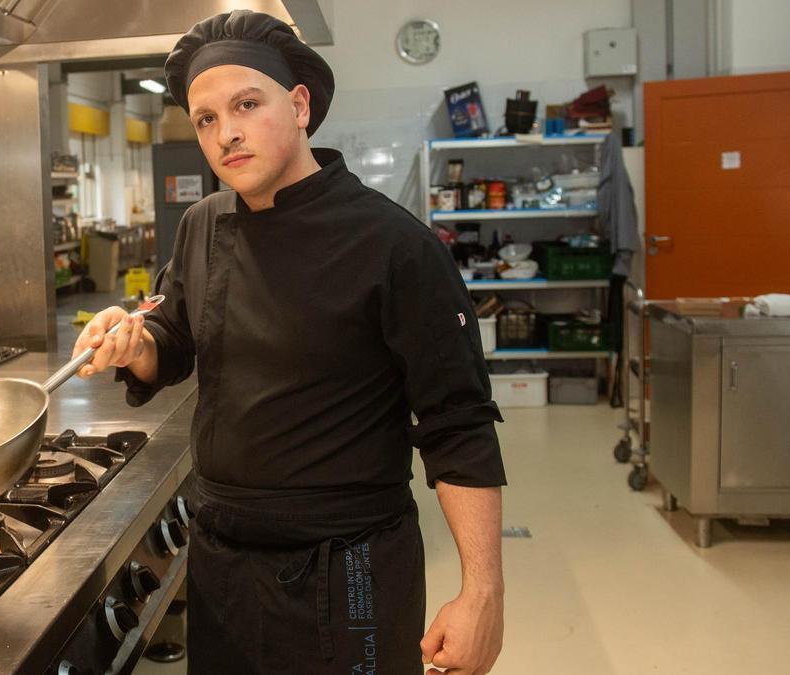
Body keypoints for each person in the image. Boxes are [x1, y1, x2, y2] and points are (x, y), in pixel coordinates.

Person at [72, 10, 505, 674]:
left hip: (348, 565)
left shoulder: (394, 246)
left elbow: (459, 424)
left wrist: (484, 591)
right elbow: (176, 337)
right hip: (220, 559)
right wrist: (136, 345)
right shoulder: (202, 225)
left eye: (247, 103)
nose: (227, 133)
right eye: (207, 117)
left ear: (300, 105)